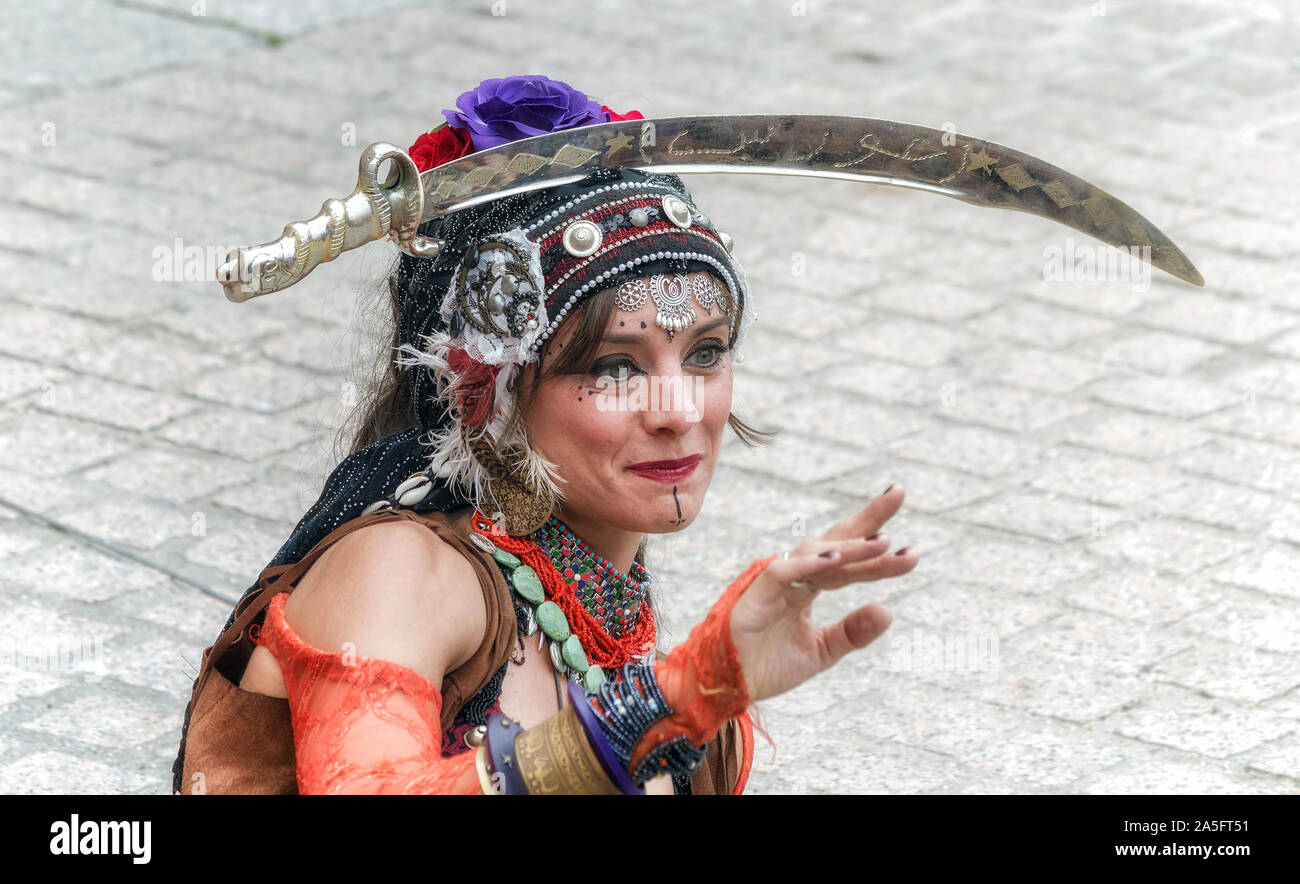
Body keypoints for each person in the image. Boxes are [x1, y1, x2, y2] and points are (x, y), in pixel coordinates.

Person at [173, 74, 920, 795]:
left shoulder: (603, 607)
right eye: (614, 367)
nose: (680, 410)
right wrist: (676, 694)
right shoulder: (400, 571)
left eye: (705, 352)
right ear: (486, 396)